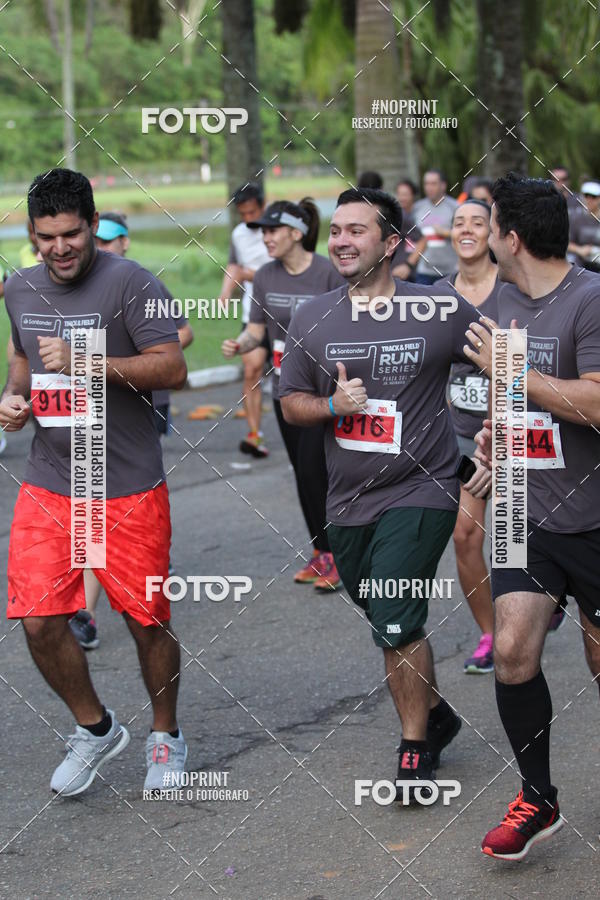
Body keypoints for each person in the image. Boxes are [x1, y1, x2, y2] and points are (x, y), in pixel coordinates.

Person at [278, 187, 482, 799]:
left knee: (395, 618)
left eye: (356, 230)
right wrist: (332, 405)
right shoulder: (313, 317)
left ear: (391, 243)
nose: (340, 240)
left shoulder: (437, 309)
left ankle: (416, 744)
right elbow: (290, 403)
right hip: (347, 503)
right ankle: (438, 712)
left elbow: (507, 361)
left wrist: (494, 440)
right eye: (336, 230)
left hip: (423, 488)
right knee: (387, 617)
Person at [1, 168, 188, 795]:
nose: (59, 249)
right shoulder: (20, 288)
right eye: (45, 237)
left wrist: (90, 362)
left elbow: (173, 368)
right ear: (31, 233)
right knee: (37, 618)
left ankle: (165, 735)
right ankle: (96, 727)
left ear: (93, 225)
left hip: (128, 485)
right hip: (51, 480)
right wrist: (13, 398)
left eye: (72, 235)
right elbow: (23, 358)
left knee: (145, 621)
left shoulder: (134, 283)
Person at [465, 173, 600, 860]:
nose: (483, 234)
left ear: (511, 237)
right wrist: (498, 431)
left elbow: (598, 404)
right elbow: (514, 397)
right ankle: (537, 799)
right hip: (525, 506)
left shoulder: (592, 299)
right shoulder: (504, 302)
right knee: (513, 650)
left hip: (595, 515)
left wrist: (516, 378)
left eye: (489, 223)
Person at [68, 211, 194, 652]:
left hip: (141, 408)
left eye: (108, 240)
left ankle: (144, 558)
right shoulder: (79, 289)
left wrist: (135, 353)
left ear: (124, 242)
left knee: (121, 500)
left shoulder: (142, 284)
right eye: (95, 240)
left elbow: (183, 333)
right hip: (89, 411)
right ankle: (86, 611)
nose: (100, 247)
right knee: (93, 507)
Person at [222, 199, 345, 590]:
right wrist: (239, 344)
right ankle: (321, 551)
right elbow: (256, 331)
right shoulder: (266, 278)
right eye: (263, 231)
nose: (266, 238)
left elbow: (348, 329)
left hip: (322, 393)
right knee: (303, 473)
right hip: (284, 391)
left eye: (273, 230)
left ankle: (337, 554)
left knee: (316, 471)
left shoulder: (327, 273)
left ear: (295, 232)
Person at [435, 200, 498, 673]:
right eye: (460, 223)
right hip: (460, 440)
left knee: (529, 541)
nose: (468, 230)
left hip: (516, 437)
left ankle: (546, 604)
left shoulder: (515, 291)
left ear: (495, 231)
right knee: (465, 536)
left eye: (478, 222)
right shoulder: (436, 295)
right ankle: (492, 633)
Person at [219, 183, 272, 457]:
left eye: (252, 212)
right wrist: (225, 292)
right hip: (254, 314)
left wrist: (247, 275)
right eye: (243, 214)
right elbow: (234, 267)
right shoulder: (239, 234)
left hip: (287, 313)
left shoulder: (276, 231)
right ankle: (254, 435)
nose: (248, 219)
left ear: (263, 206)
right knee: (252, 371)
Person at [412, 169, 458, 284]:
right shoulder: (417, 208)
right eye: (426, 183)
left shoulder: (455, 207)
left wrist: (446, 233)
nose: (429, 187)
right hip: (423, 271)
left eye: (433, 183)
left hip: (450, 271)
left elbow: (464, 235)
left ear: (443, 185)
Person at [391, 179, 427, 282]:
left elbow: (423, 240)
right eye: (399, 194)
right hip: (397, 272)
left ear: (413, 196)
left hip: (414, 273)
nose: (402, 198)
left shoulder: (420, 213)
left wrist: (408, 265)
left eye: (405, 194)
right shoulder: (397, 215)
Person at [567, 180, 600, 271]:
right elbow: (566, 242)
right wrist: (579, 250)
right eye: (586, 196)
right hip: (580, 257)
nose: (589, 200)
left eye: (594, 197)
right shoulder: (575, 217)